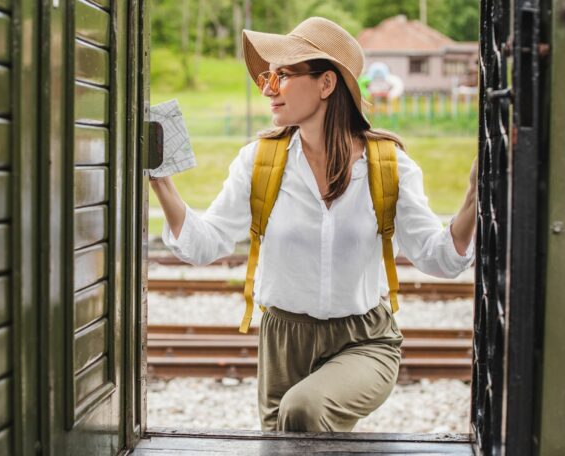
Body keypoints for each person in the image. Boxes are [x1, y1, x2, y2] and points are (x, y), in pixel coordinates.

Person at [149, 17, 477, 433]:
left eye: (283, 75)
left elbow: (441, 258)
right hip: (283, 342)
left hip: (365, 340)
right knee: (290, 438)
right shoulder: (260, 161)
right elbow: (206, 243)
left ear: (326, 84)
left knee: (303, 410)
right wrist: (162, 184)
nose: (268, 88)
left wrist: (473, 195)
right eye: (268, 76)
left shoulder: (387, 166)